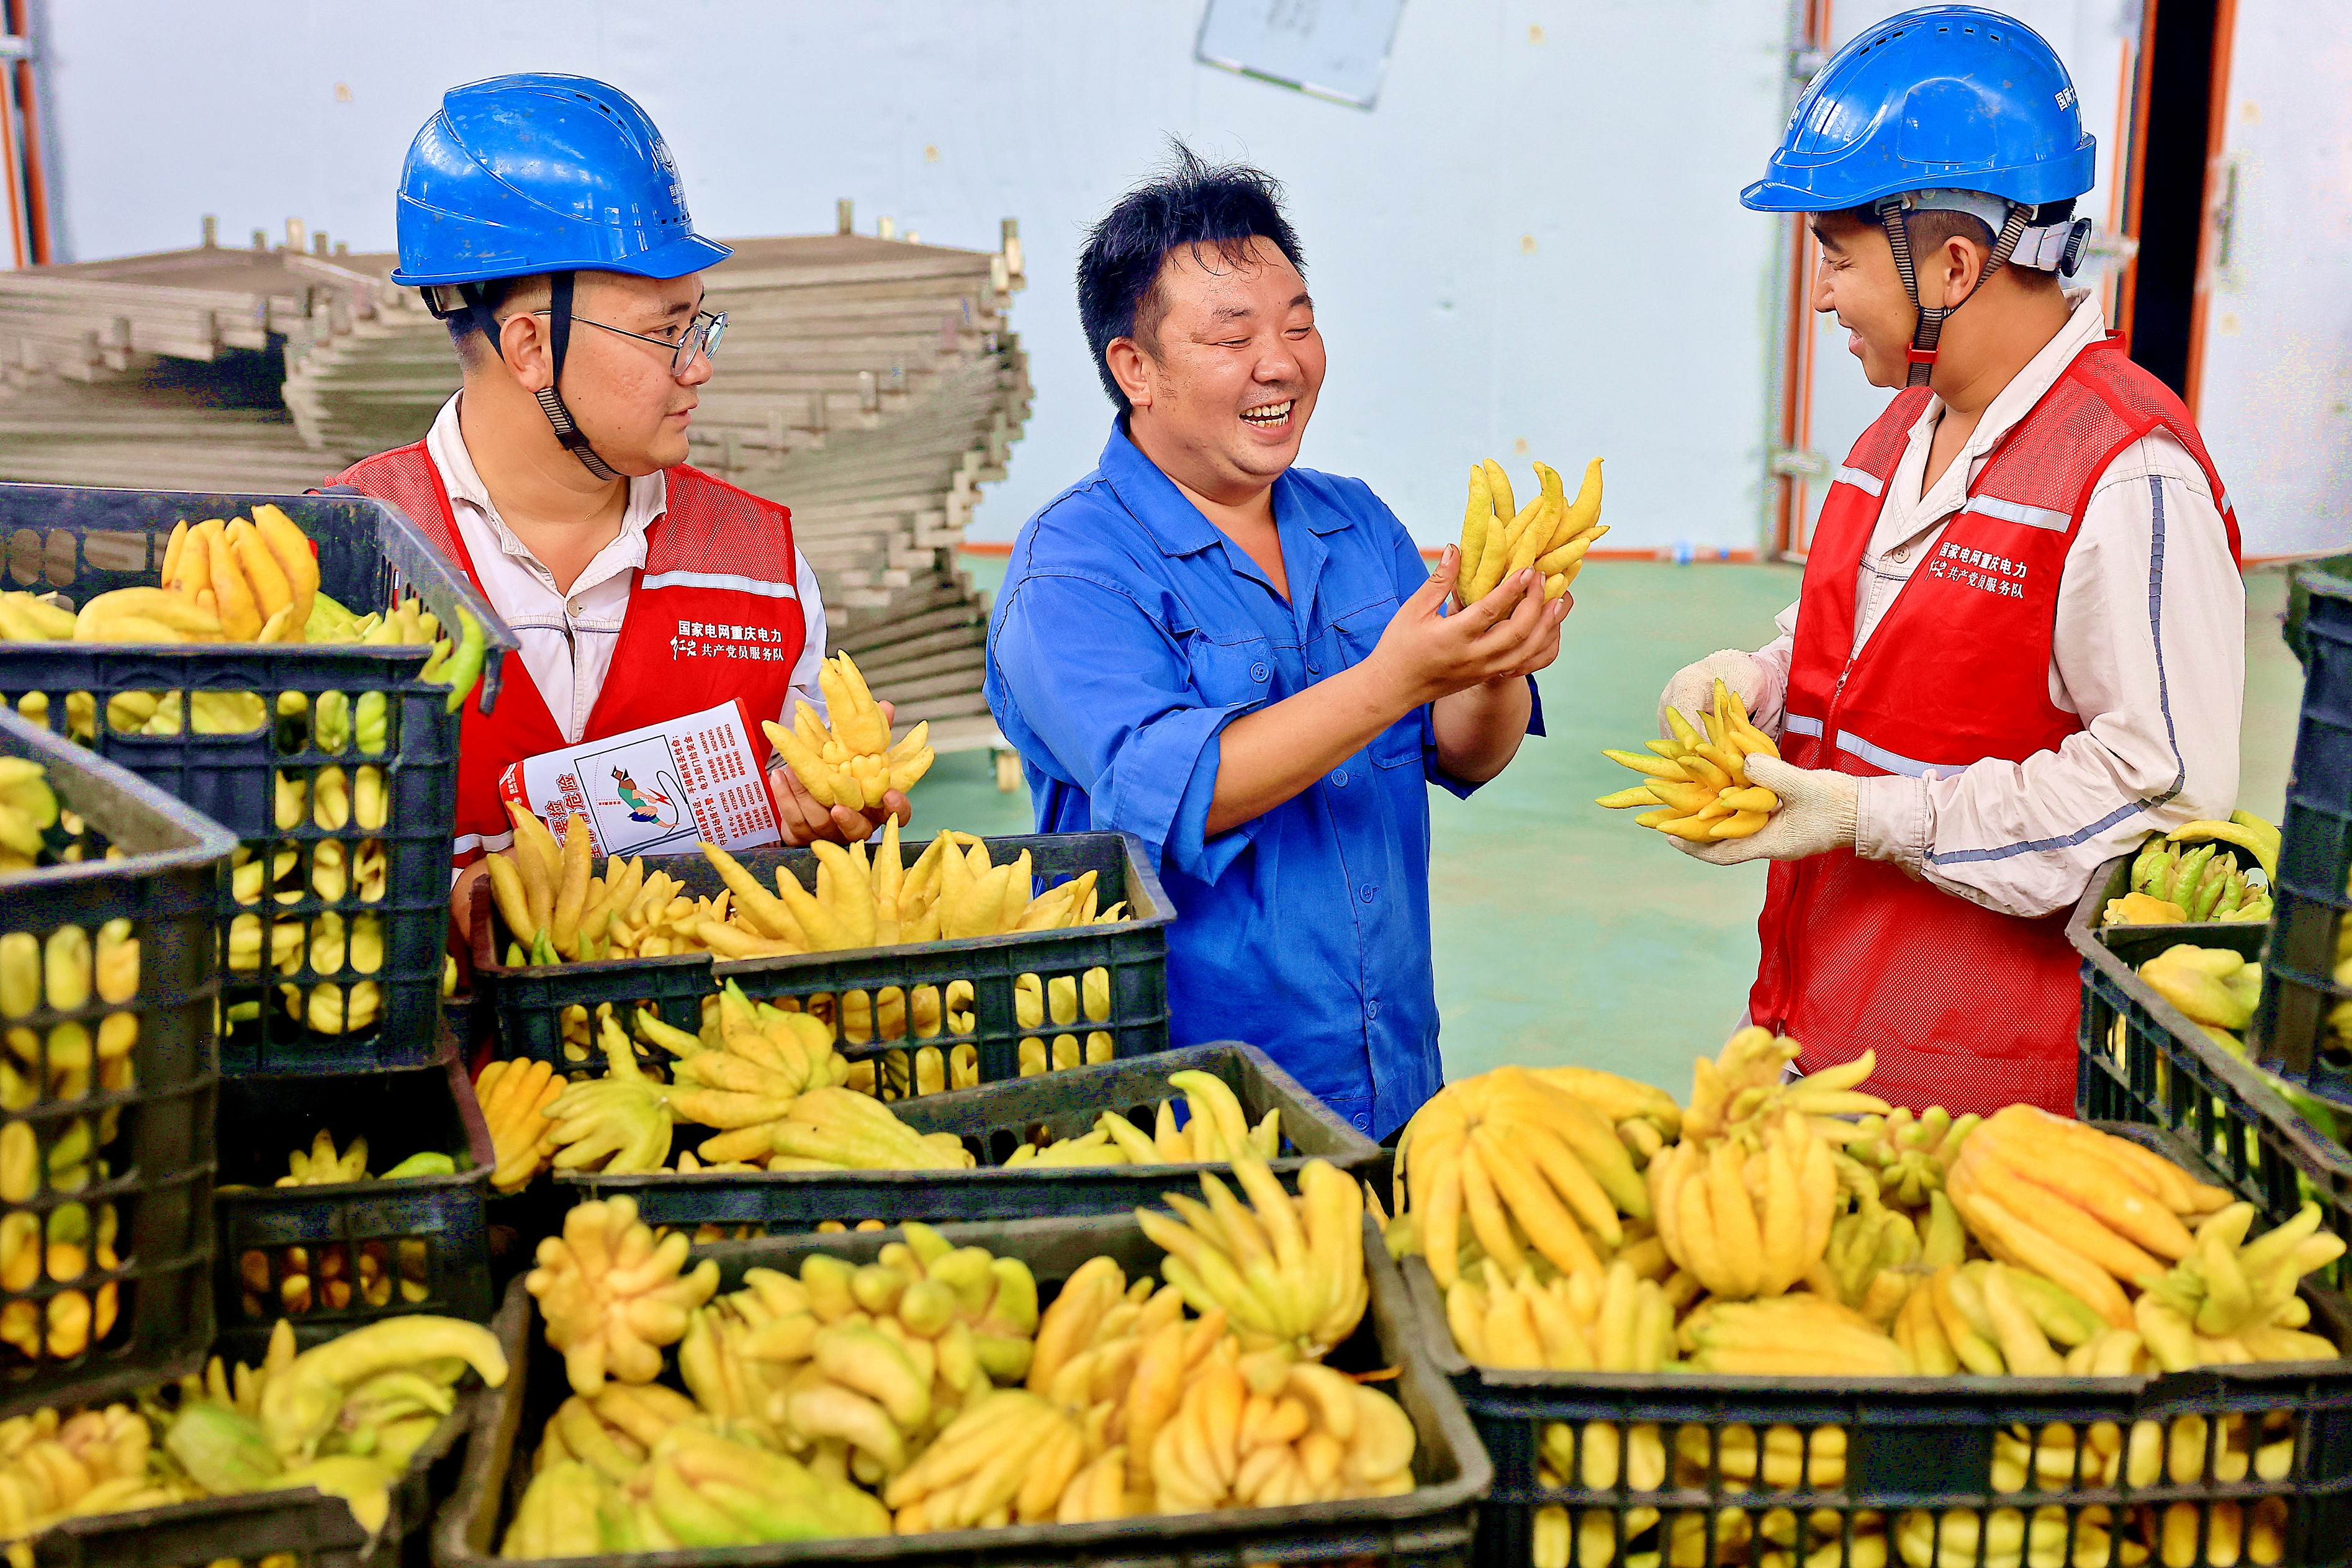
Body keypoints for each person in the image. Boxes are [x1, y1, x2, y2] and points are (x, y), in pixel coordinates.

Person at [1660, 5, 2243, 1114]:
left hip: (1983, 1094)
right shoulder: (1897, 432)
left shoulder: (2125, 475)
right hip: (1820, 1025)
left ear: (1955, 261)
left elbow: (2161, 795)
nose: (1823, 296)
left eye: (1835, 260)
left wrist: (1882, 815)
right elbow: (1865, 649)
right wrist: (1756, 679)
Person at [983, 148, 1566, 1139]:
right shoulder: (1071, 574)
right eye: (1231, 336)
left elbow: (1465, 750)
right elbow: (1184, 790)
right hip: (1181, 1111)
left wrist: (1495, 659)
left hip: (1388, 1076)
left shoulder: (1353, 523)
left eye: (1298, 325)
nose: (1281, 362)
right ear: (1136, 369)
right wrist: (1391, 680)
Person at [331, 73, 908, 929]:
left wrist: (823, 834)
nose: (697, 365)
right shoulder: (343, 553)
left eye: (698, 325)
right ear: (529, 346)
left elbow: (804, 874)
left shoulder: (762, 568)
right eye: (662, 331)